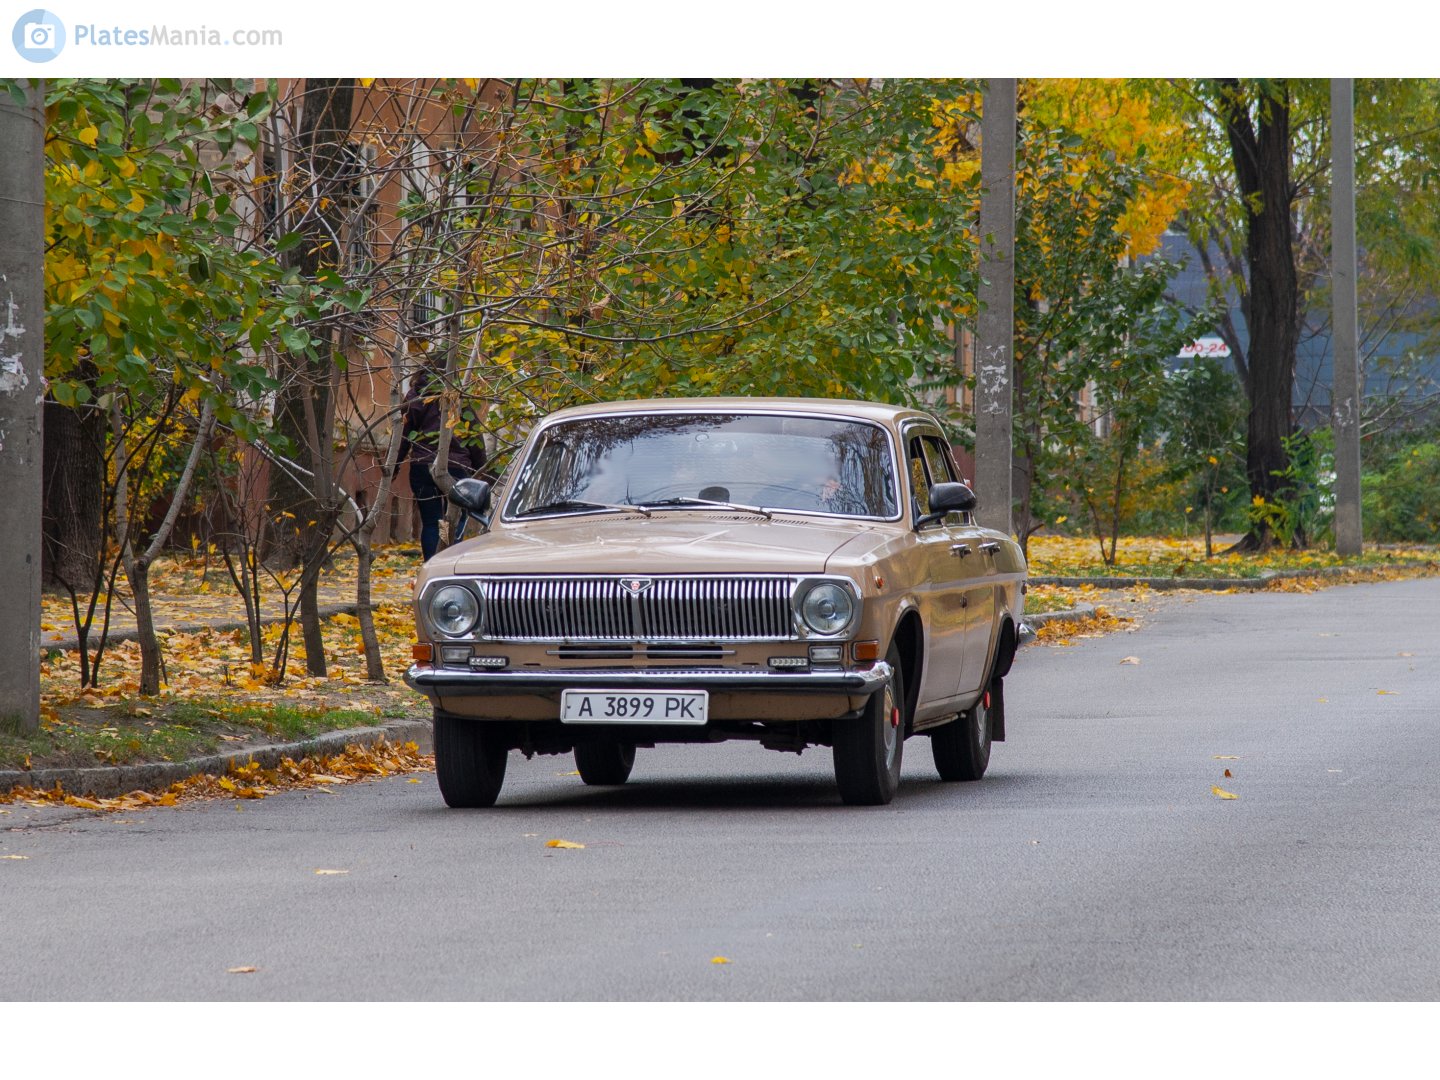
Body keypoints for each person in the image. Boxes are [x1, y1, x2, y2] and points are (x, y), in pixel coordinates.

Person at [394, 368, 487, 560]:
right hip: (457, 466)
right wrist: (481, 469)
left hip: (423, 466)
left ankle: (433, 565)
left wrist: (393, 464)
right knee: (458, 517)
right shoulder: (457, 396)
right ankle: (452, 561)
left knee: (431, 522)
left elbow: (403, 435)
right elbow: (475, 434)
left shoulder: (414, 396)